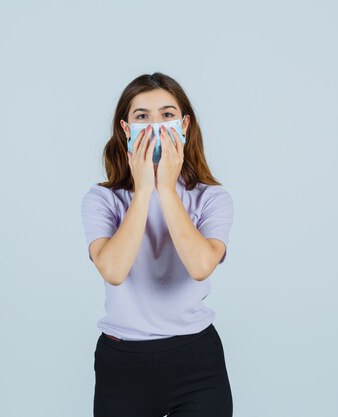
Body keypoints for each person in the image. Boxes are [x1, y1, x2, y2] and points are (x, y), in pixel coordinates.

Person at [80, 72, 234, 417]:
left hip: (196, 360)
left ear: (184, 124)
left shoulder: (212, 198)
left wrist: (166, 188)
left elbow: (200, 266)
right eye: (142, 117)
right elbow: (114, 271)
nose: (155, 126)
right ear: (125, 129)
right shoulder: (102, 200)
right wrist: (144, 187)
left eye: (167, 115)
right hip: (122, 363)